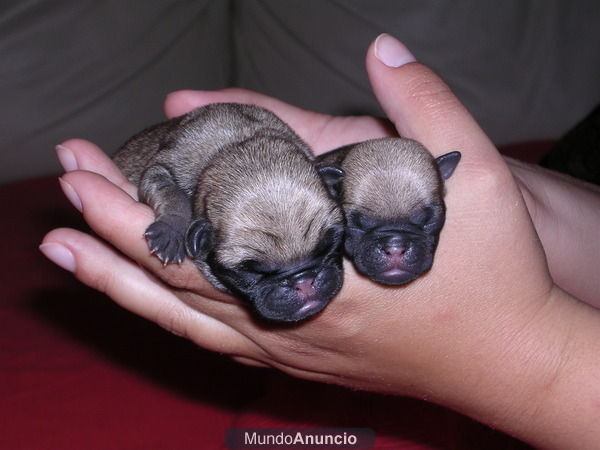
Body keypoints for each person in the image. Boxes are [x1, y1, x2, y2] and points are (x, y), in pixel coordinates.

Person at [40, 34, 600, 448]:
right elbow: (168, 178)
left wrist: (525, 362)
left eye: (328, 245)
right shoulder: (207, 163)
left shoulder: (310, 175)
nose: (306, 284)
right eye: (258, 270)